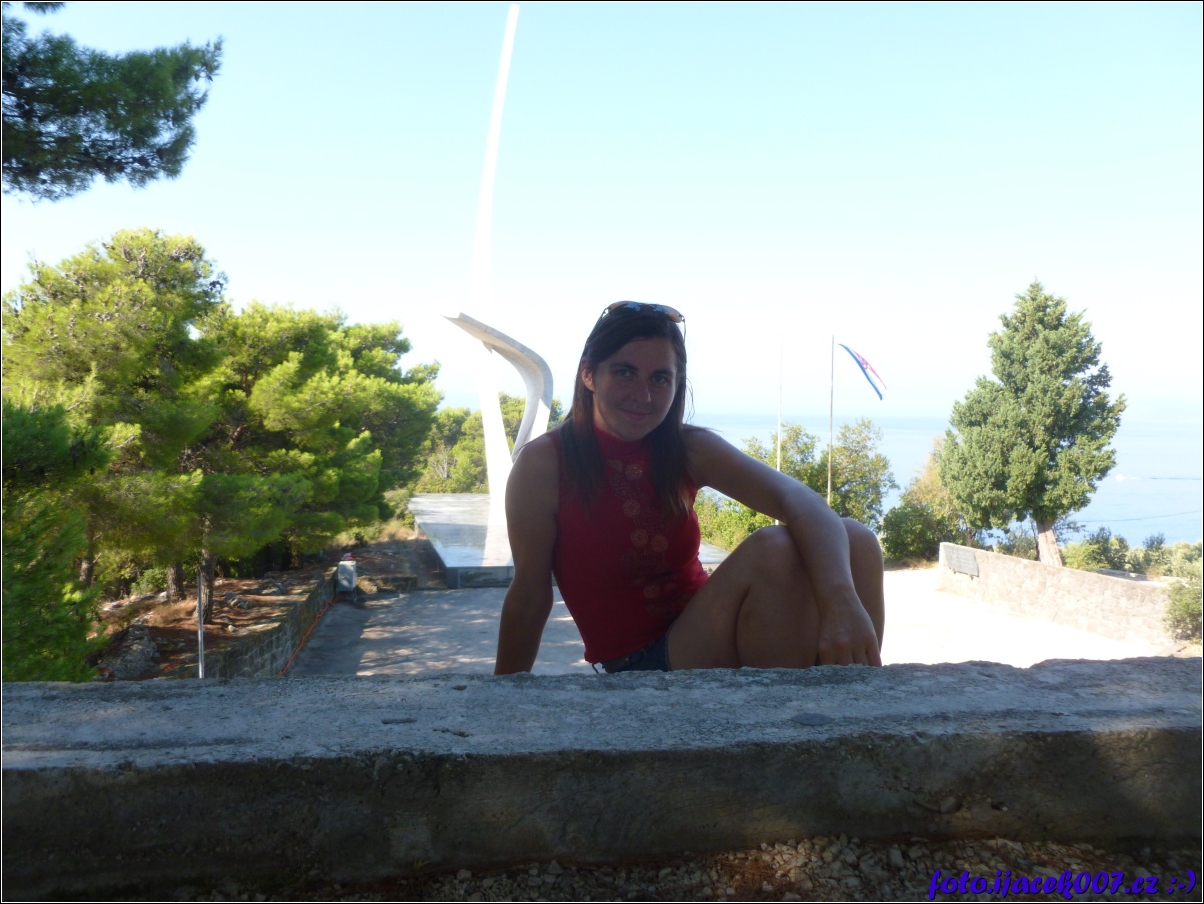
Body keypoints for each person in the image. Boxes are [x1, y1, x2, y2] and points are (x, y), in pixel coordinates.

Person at [494, 301, 884, 675]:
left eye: (659, 378)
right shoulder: (545, 464)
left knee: (857, 541)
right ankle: (782, 715)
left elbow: (799, 499)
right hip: (639, 665)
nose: (643, 395)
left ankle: (854, 700)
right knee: (773, 550)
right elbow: (529, 595)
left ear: (677, 383)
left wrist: (841, 602)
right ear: (588, 375)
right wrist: (501, 700)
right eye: (625, 372)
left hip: (705, 632)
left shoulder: (685, 448)